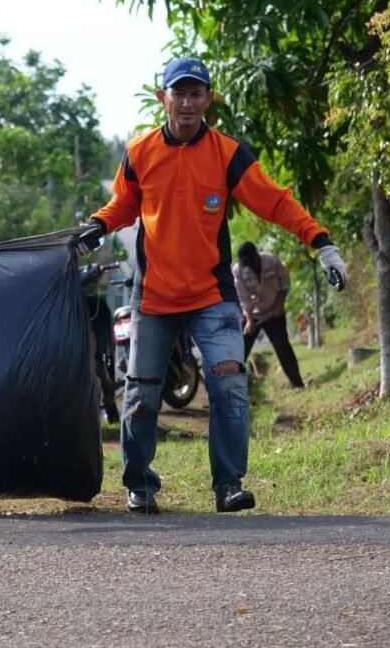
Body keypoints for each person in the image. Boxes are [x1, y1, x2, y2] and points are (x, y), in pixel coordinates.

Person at [78, 57, 347, 514]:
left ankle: (228, 485)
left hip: (210, 293)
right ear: (163, 98)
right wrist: (96, 227)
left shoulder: (227, 153)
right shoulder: (140, 152)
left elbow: (274, 201)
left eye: (196, 93)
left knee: (228, 383)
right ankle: (139, 483)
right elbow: (123, 205)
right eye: (178, 93)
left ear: (208, 100)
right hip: (155, 295)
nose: (186, 102)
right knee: (141, 392)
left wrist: (320, 242)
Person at [232, 242, 305, 389]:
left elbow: (284, 283)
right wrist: (250, 321)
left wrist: (279, 306)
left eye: (251, 262)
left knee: (283, 347)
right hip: (254, 315)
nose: (250, 267)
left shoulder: (272, 261)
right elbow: (244, 299)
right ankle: (232, 388)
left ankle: (297, 384)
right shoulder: (239, 271)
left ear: (256, 256)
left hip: (274, 312)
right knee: (239, 350)